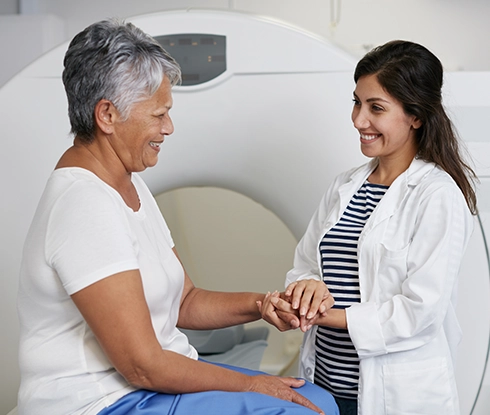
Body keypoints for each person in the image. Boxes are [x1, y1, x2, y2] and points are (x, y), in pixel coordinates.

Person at [16, 19, 339, 415]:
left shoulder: (128, 184)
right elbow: (142, 366)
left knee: (317, 398)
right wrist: (253, 383)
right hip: (101, 402)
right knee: (297, 409)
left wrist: (262, 304)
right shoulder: (84, 204)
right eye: (158, 114)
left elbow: (185, 302)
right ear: (107, 115)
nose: (168, 127)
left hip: (147, 389)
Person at [259, 40, 477, 415]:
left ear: (416, 116)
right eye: (357, 102)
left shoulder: (437, 195)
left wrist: (326, 316)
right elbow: (307, 264)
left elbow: (421, 312)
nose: (359, 119)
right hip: (324, 385)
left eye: (375, 108)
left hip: (393, 395)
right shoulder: (344, 186)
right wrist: (305, 287)